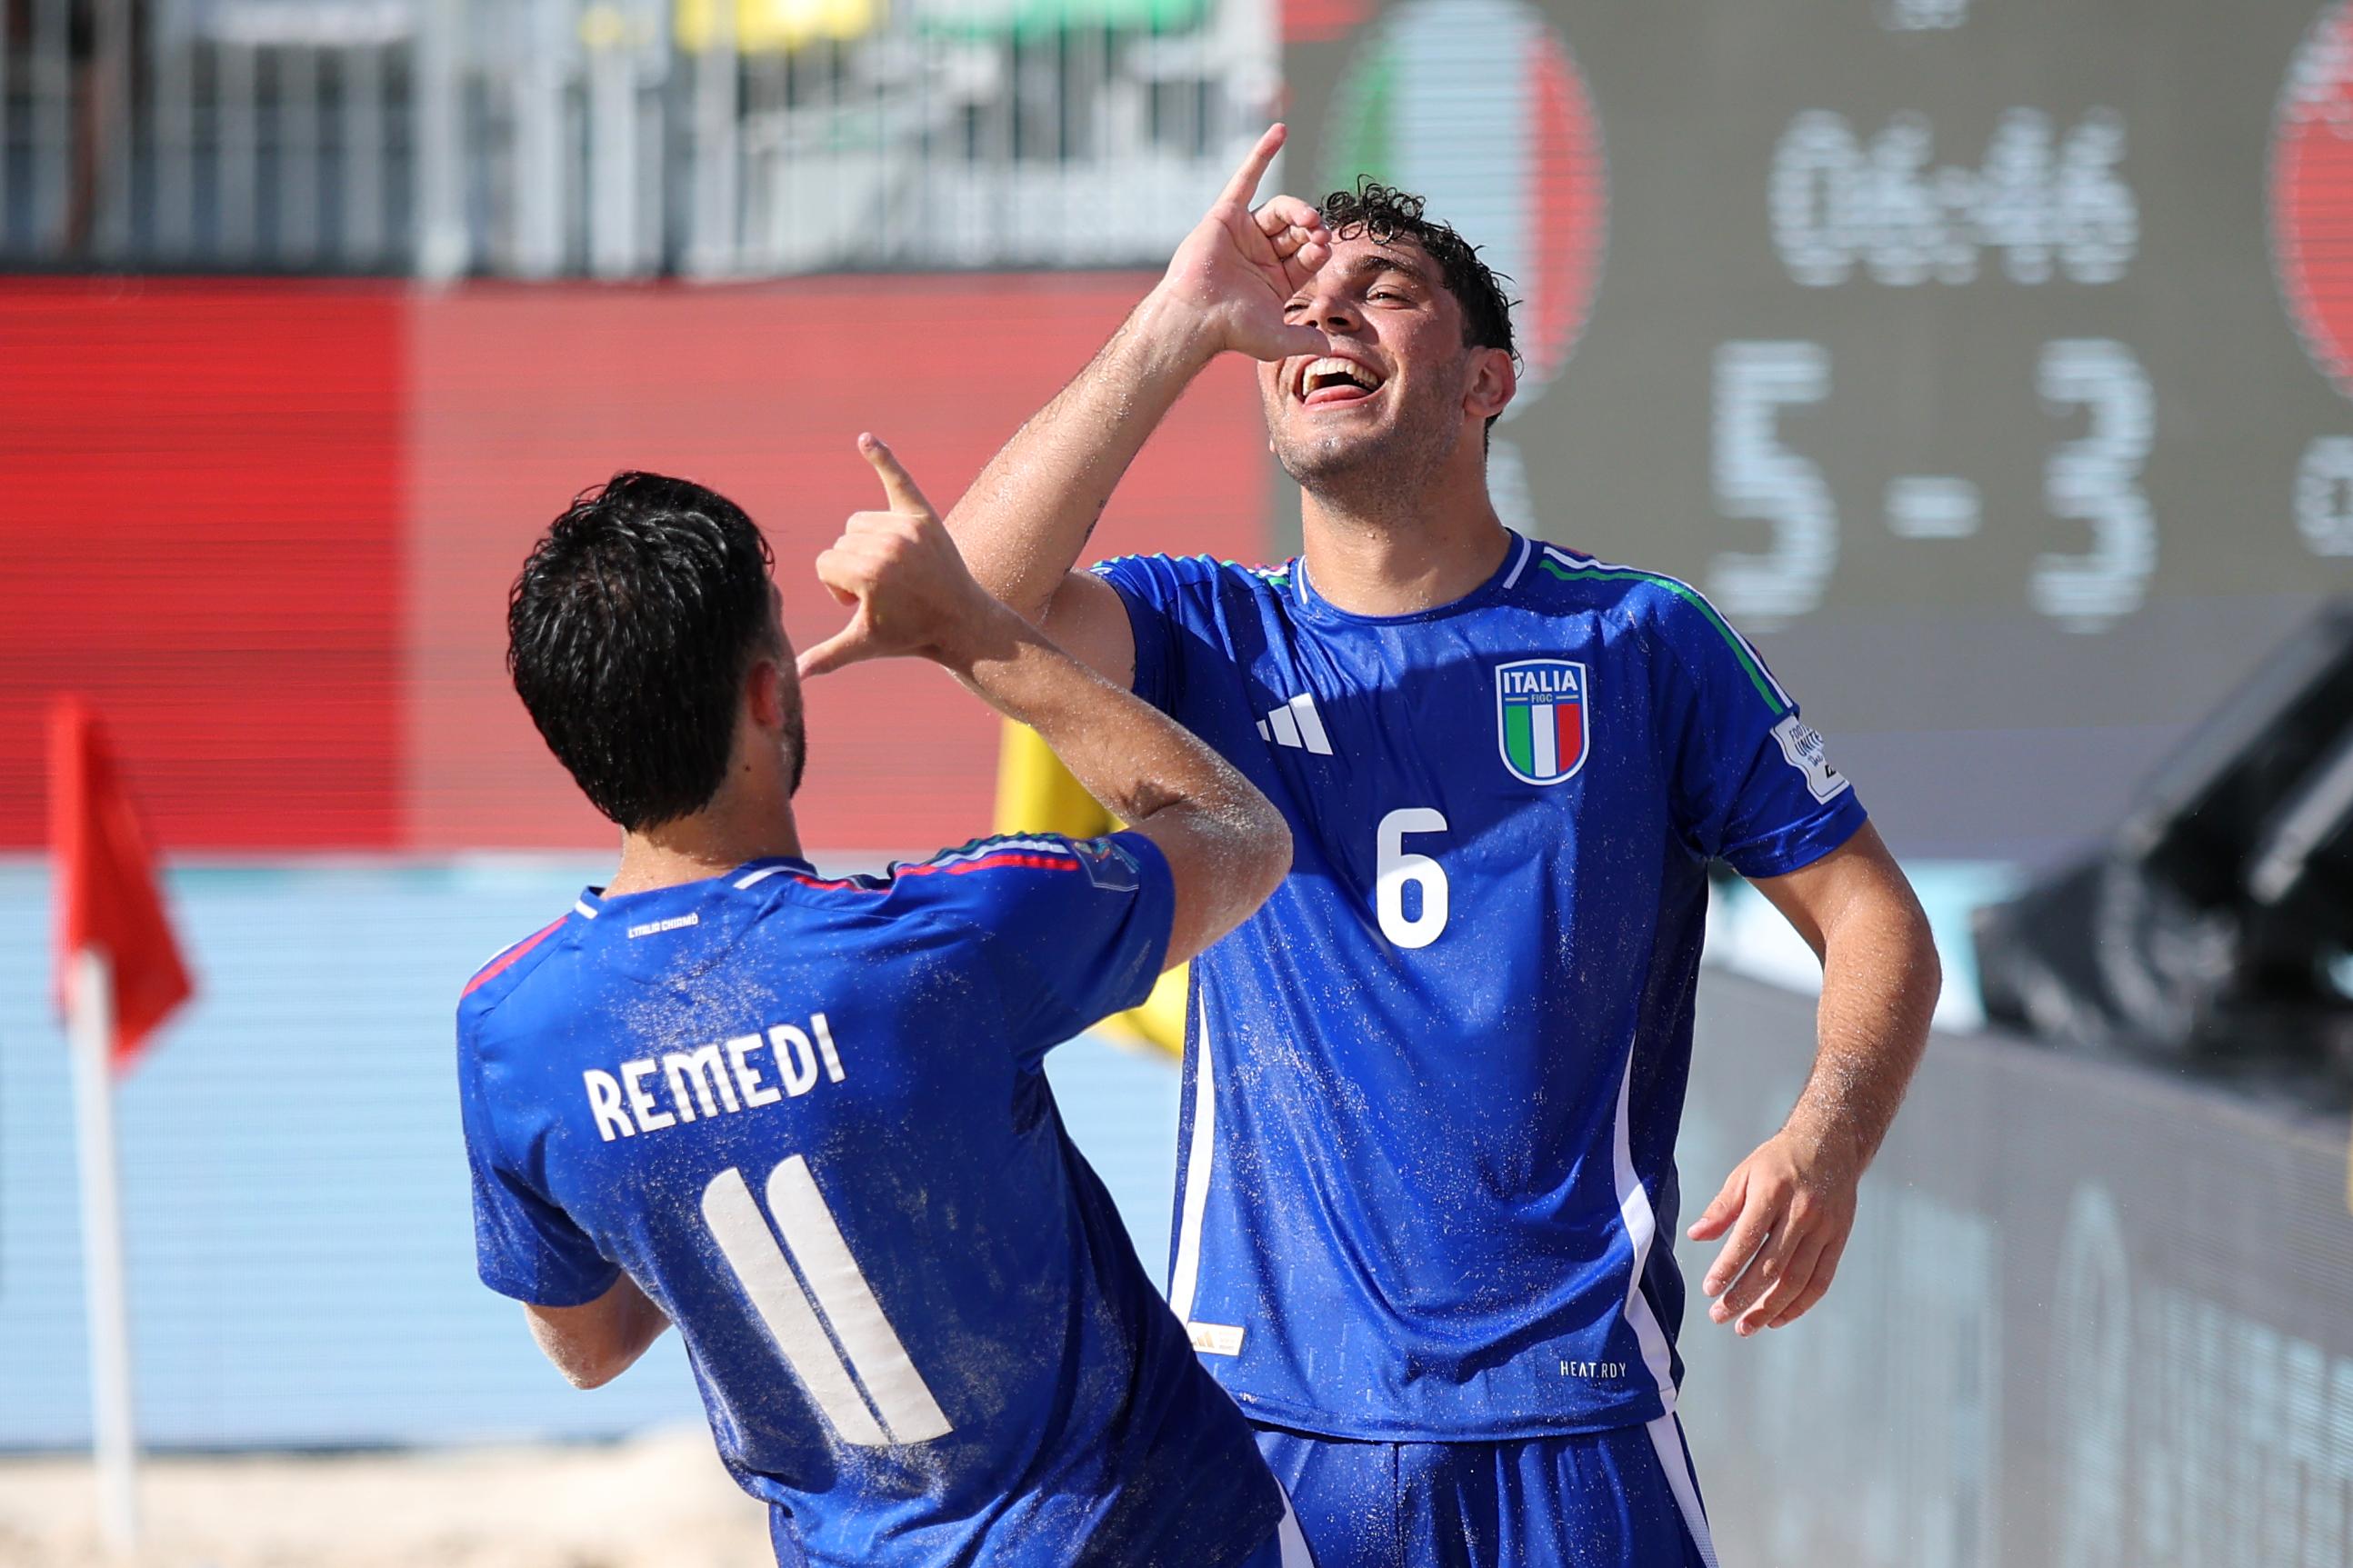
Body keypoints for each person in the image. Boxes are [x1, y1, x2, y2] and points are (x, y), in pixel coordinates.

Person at [943, 125, 1945, 1567]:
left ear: (1485, 382)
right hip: (1268, 1422)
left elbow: (1874, 920)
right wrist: (1173, 326)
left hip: (1575, 1417)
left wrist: (1828, 1138)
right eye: (1302, 305)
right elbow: (960, 602)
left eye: (1386, 289)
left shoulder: (1637, 640)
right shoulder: (1206, 632)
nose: (1329, 316)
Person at [455, 443, 1314, 1567]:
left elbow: (588, 1347)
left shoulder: (511, 1031)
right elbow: (1239, 837)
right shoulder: (939, 943)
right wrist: (974, 632)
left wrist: (705, 1122)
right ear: (770, 690)